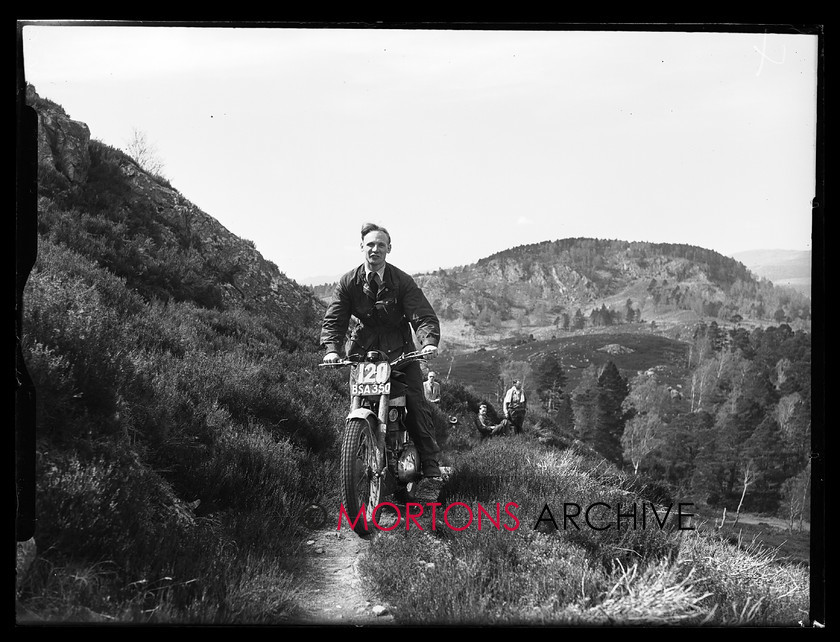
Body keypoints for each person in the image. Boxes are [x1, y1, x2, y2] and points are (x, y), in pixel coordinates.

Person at [321, 223, 443, 479]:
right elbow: (335, 319)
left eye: (381, 245)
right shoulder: (348, 282)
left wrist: (428, 341)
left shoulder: (402, 281)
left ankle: (429, 460)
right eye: (370, 244)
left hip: (399, 354)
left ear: (389, 249)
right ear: (362, 247)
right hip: (362, 354)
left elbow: (421, 315)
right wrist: (332, 349)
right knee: (357, 401)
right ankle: (355, 459)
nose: (375, 249)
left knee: (415, 403)